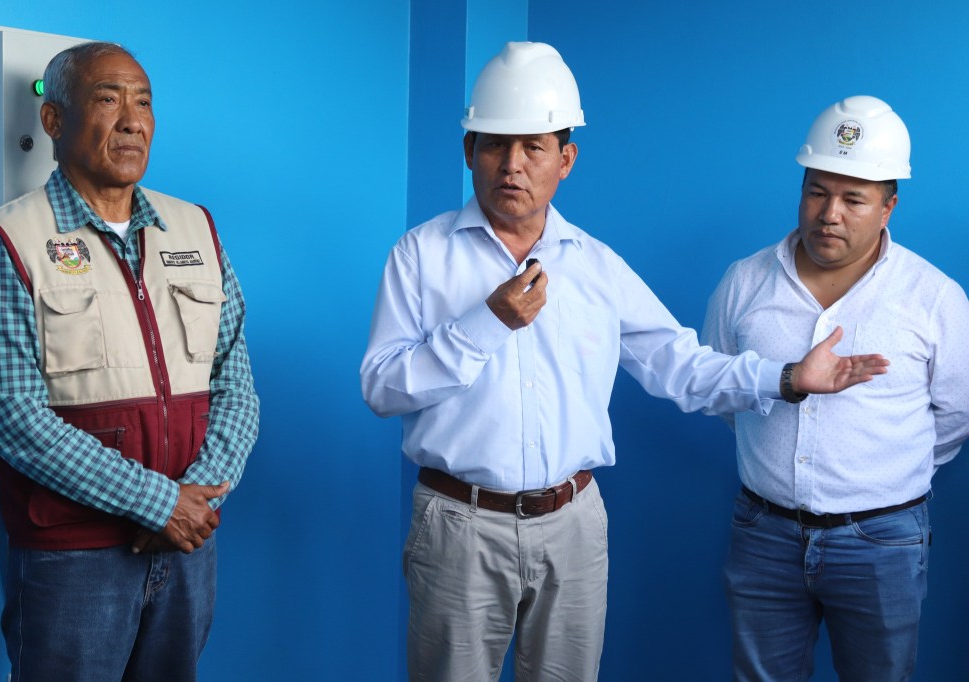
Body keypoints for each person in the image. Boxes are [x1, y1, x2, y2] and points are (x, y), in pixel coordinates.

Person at [360, 42, 887, 681]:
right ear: (470, 150)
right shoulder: (420, 256)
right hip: (458, 525)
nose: (512, 164)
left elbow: (680, 364)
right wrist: (486, 322)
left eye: (534, 147)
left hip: (572, 527)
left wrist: (787, 378)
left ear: (566, 160)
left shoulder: (596, 267)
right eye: (496, 144)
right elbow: (382, 387)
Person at [0, 41, 259, 681]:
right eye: (108, 99)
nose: (132, 121)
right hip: (72, 557)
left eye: (143, 102)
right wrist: (159, 504)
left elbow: (236, 383)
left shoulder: (195, 228)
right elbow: (15, 420)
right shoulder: (6, 240)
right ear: (53, 120)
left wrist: (198, 499)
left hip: (187, 548)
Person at [701, 95, 969, 681]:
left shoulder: (934, 298)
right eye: (817, 192)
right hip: (763, 533)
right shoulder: (744, 282)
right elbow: (720, 390)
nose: (830, 214)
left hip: (883, 541)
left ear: (888, 207)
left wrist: (883, 472)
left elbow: (955, 414)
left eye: (854, 199)